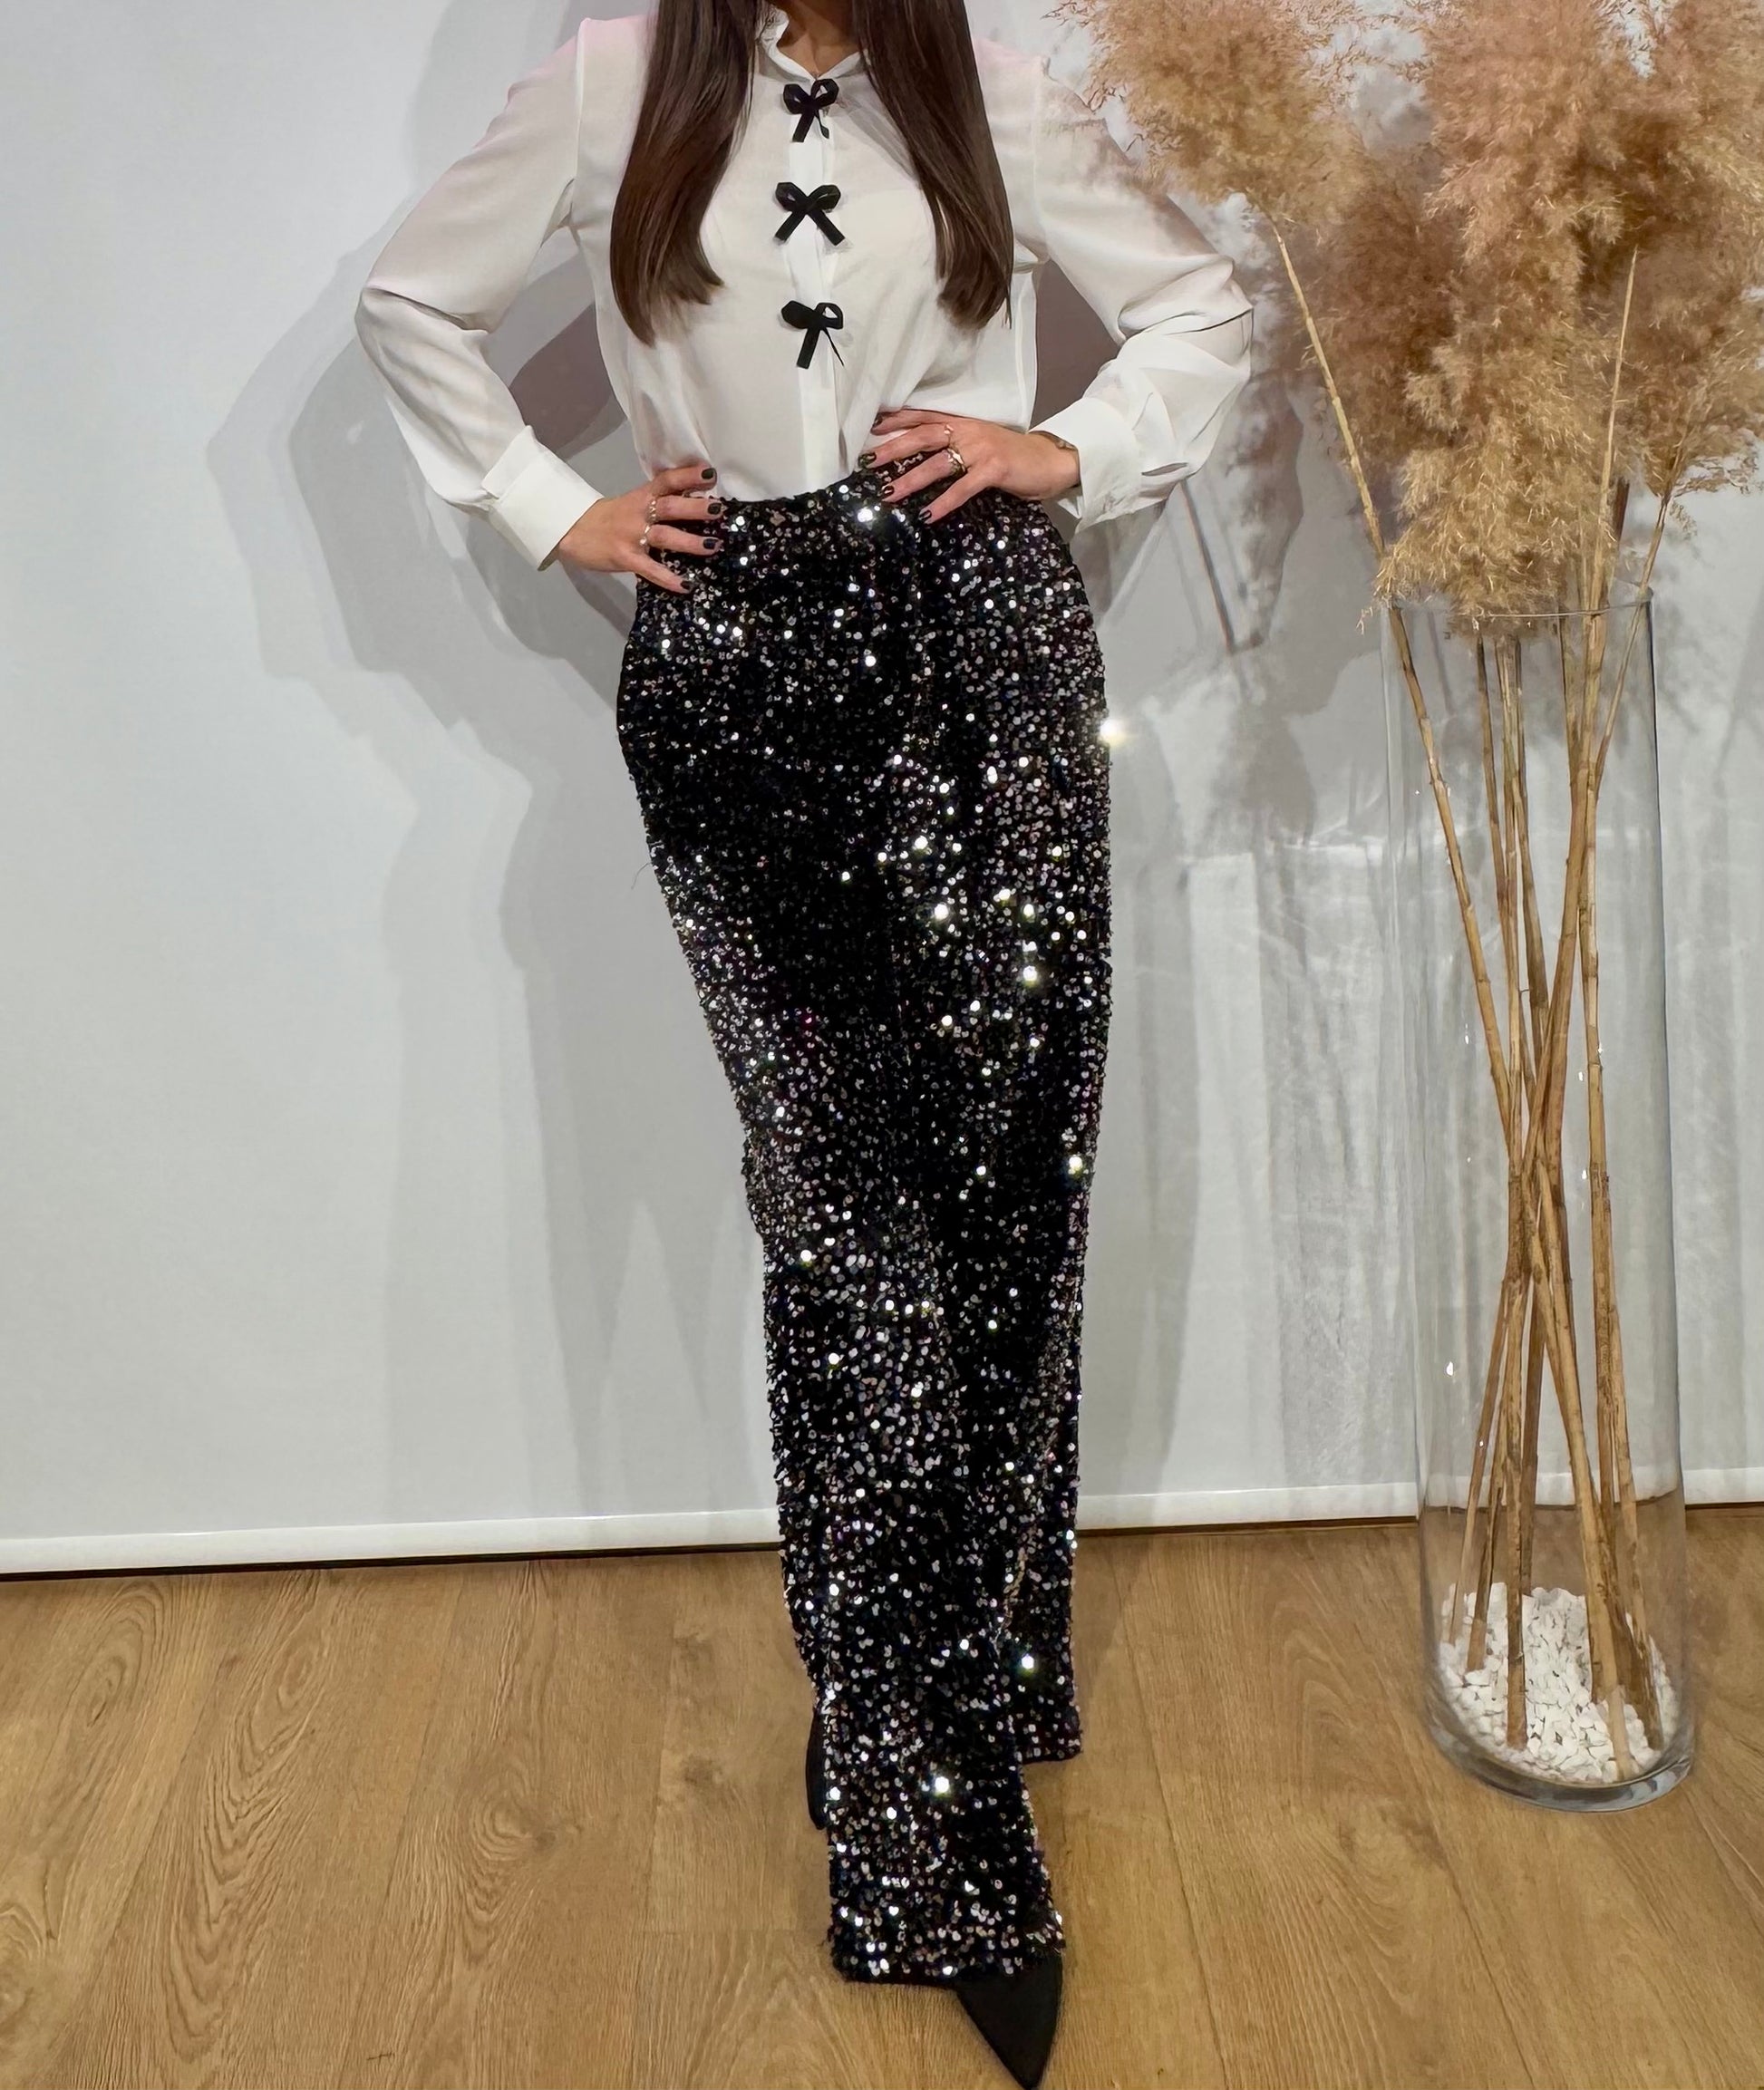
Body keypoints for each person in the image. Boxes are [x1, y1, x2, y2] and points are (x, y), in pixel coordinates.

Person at [355, 4, 1251, 2081]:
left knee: (1009, 1196)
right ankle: (921, 1806)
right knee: (849, 1240)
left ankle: (977, 1674)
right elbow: (411, 300)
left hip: (986, 644)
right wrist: (547, 500)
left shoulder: (990, 85)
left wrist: (1071, 448)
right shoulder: (611, 78)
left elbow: (1201, 305)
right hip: (738, 666)